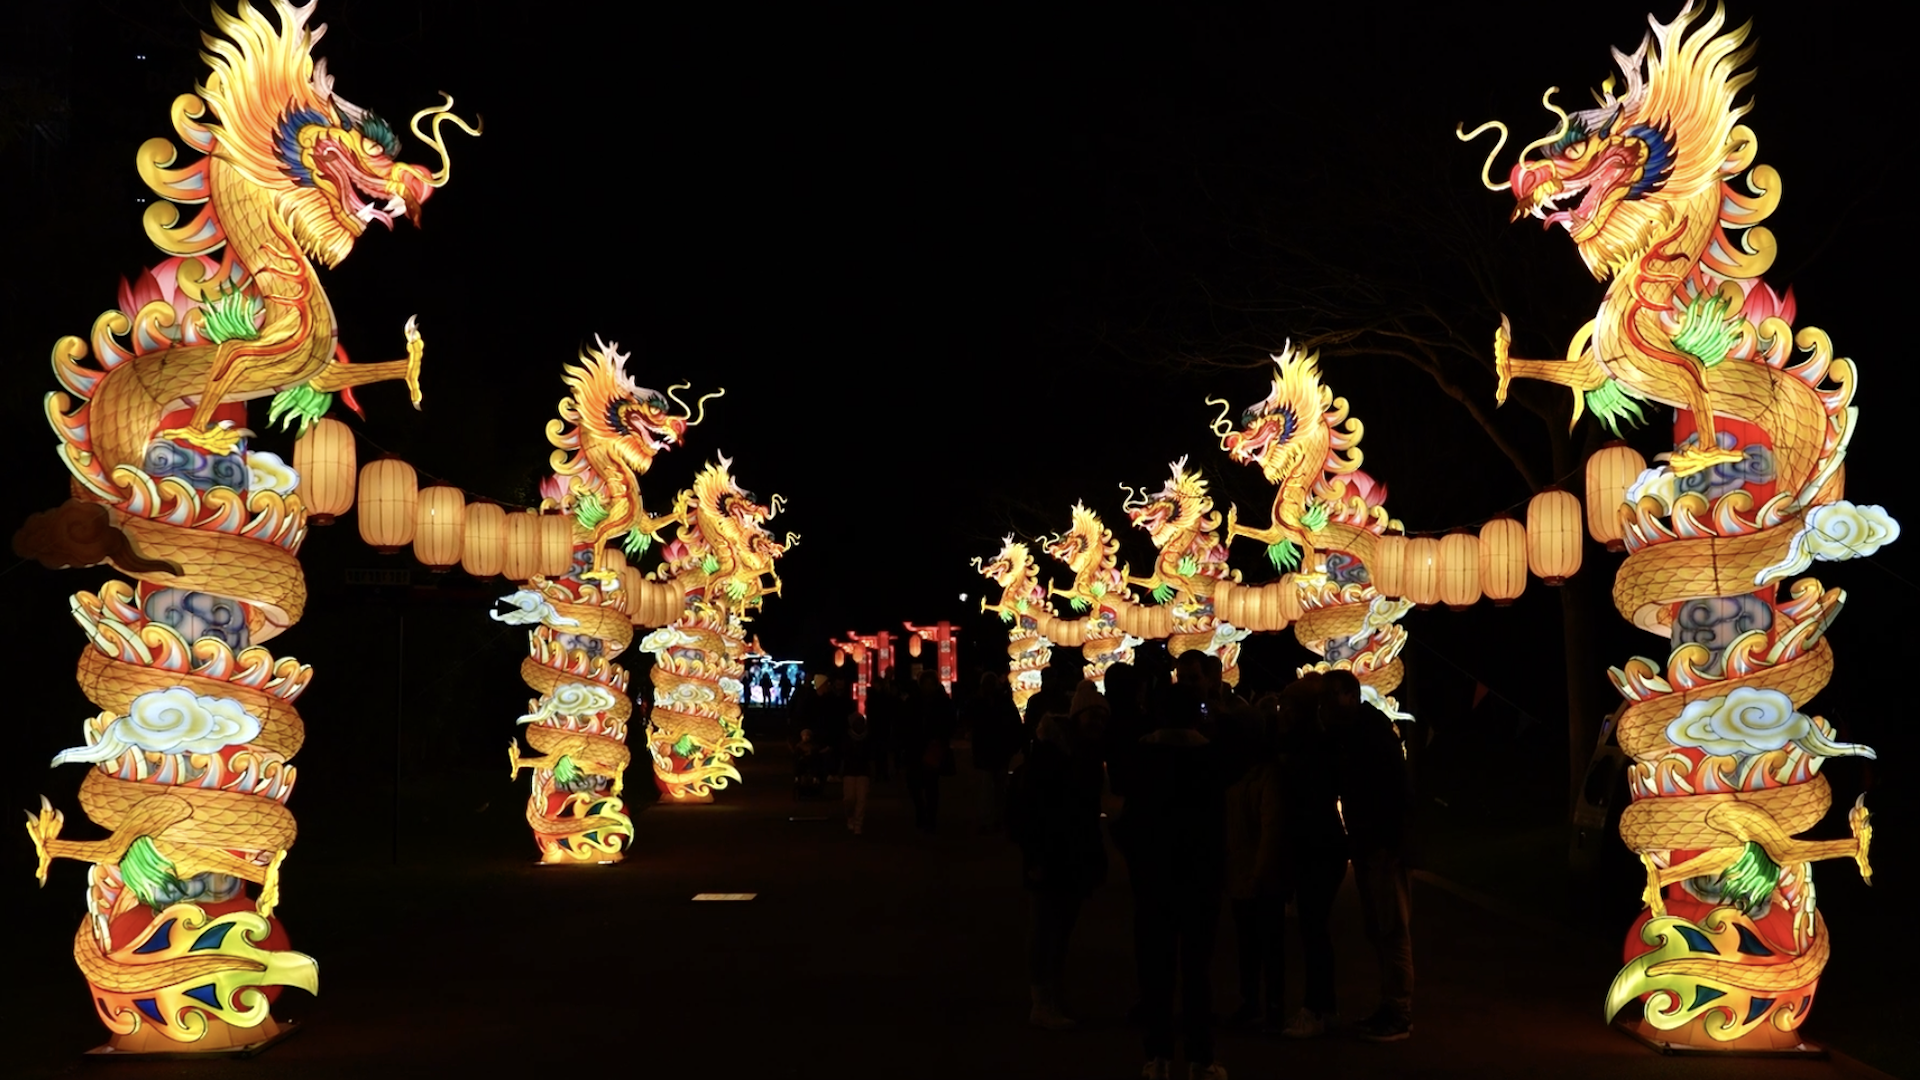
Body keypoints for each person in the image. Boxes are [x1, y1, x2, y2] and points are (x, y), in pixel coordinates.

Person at [1110, 678, 1232, 1080]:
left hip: (1153, 877)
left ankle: (1157, 1055)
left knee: (1155, 968)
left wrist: (1136, 858)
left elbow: (1126, 820)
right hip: (1200, 878)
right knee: (1198, 969)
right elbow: (1220, 824)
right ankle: (1201, 1057)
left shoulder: (1140, 756)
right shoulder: (1213, 759)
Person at [1011, 680, 1109, 1029]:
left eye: (1102, 716)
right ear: (1077, 715)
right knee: (1045, 925)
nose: (1097, 722)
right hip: (1050, 853)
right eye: (1091, 715)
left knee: (1061, 928)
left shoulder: (1087, 752)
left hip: (1073, 852)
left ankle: (1054, 995)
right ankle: (1042, 1001)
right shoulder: (1053, 752)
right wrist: (1036, 856)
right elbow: (1033, 808)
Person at [1326, 668, 1415, 1042]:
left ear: (1350, 695)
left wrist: (1394, 845)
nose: (1326, 706)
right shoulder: (1350, 736)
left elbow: (1397, 793)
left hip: (1382, 846)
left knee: (1392, 927)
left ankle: (1399, 1010)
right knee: (1379, 927)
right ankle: (1389, 1004)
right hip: (1367, 843)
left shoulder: (1374, 736)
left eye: (1331, 697)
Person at [1271, 673, 1345, 1039]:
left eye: (1286, 703)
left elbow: (1302, 803)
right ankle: (1323, 1006)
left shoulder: (1306, 747)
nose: (1281, 709)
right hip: (1321, 842)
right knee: (1314, 929)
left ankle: (1315, 1009)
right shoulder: (1312, 742)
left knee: (1313, 930)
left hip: (1315, 844)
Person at [1221, 698, 1284, 1032]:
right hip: (1242, 872)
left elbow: (1271, 828)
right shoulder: (1238, 776)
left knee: (1267, 943)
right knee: (1249, 944)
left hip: (1259, 876)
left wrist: (1259, 873)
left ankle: (1271, 1004)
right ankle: (1253, 1000)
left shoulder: (1262, 776)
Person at [966, 673, 1023, 832]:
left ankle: (991, 819)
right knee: (997, 787)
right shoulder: (1002, 702)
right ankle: (997, 819)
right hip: (998, 750)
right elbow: (1015, 725)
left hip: (991, 750)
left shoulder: (981, 702)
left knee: (989, 788)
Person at [841, 710, 874, 834]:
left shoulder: (867, 737)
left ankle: (858, 823)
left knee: (861, 799)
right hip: (849, 770)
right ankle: (850, 817)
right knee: (849, 798)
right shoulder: (846, 738)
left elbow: (871, 755)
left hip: (863, 771)